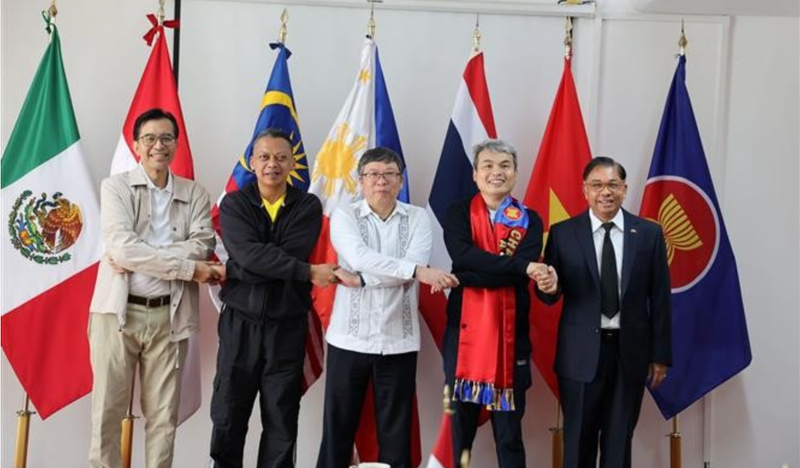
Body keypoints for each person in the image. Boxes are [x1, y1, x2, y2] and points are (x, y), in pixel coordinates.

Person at [88, 108, 218, 468]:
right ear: (136, 145)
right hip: (116, 313)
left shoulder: (195, 194)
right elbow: (121, 247)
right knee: (106, 412)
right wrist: (189, 268)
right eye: (150, 138)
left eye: (166, 138)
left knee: (163, 418)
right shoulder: (115, 187)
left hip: (169, 317)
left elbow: (202, 244)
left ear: (176, 144)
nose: (158, 145)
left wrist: (142, 256)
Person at [316, 147, 459, 468]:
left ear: (400, 180)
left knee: (396, 432)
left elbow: (412, 262)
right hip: (348, 340)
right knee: (337, 429)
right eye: (373, 175)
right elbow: (358, 257)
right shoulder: (344, 215)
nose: (381, 181)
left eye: (389, 174)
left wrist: (364, 280)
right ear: (361, 181)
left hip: (399, 340)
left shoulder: (418, 217)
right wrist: (414, 273)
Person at [209, 128, 338, 468]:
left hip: (287, 326)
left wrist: (237, 268)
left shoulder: (307, 205)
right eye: (264, 157)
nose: (272, 164)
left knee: (281, 422)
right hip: (240, 325)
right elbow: (250, 255)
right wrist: (305, 271)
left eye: (281, 157)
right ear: (251, 162)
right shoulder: (235, 203)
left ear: (292, 163)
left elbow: (255, 258)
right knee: (227, 416)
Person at [535, 156, 672, 468]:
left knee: (618, 442)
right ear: (585, 191)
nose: (605, 192)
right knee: (578, 442)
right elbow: (550, 295)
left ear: (624, 189)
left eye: (613, 185)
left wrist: (661, 355)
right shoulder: (563, 233)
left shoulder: (648, 234)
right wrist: (548, 286)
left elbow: (661, 299)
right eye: (597, 185)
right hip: (580, 356)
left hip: (631, 355)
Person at [442, 139, 545, 467]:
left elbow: (502, 275)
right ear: (475, 174)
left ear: (515, 174)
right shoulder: (458, 212)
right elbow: (462, 255)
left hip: (513, 341)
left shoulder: (530, 219)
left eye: (505, 166)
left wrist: (468, 276)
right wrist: (520, 267)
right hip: (463, 339)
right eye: (488, 165)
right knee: (459, 431)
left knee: (509, 434)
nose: (496, 172)